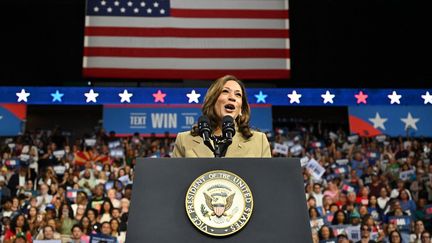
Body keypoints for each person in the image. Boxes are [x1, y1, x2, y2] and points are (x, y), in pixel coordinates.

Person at [172, 75, 271, 158]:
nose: (232, 97)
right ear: (212, 100)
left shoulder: (259, 141)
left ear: (241, 109)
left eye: (238, 94)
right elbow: (175, 179)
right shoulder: (184, 140)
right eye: (225, 91)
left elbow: (266, 180)